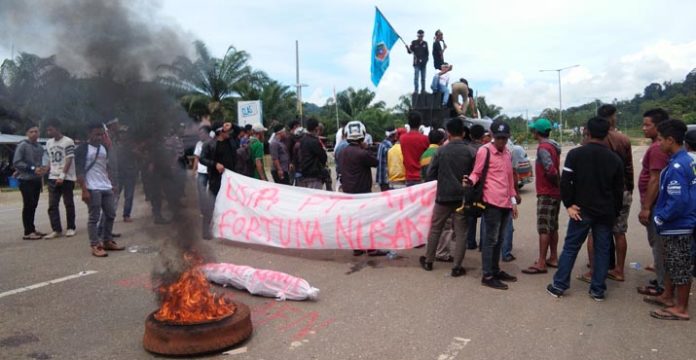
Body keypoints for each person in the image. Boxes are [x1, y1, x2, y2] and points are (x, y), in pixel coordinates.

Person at [546, 117, 624, 301]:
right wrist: (615, 212)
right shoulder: (615, 159)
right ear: (607, 133)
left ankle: (559, 286)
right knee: (603, 250)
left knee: (571, 248)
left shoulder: (575, 154)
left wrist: (569, 204)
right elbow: (618, 191)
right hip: (605, 213)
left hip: (581, 211)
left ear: (587, 132)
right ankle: (598, 290)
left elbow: (565, 182)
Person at [647, 119, 695, 320]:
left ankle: (680, 308)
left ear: (670, 140)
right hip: (678, 224)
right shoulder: (686, 160)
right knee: (671, 262)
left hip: (678, 225)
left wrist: (660, 218)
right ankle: (668, 296)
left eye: (660, 140)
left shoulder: (677, 165)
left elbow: (678, 200)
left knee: (680, 265)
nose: (658, 144)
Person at [579, 104, 634, 282]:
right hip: (621, 190)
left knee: (594, 232)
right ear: (611, 118)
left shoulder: (588, 142)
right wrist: (629, 188)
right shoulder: (623, 139)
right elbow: (628, 168)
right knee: (619, 232)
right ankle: (619, 270)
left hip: (597, 193)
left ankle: (594, 269)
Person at [464, 121, 519, 290]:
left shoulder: (508, 153)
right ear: (492, 136)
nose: (502, 141)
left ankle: (495, 270)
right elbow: (477, 172)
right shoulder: (484, 151)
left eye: (505, 138)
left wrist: (513, 201)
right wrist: (469, 181)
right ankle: (487, 275)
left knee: (500, 239)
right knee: (490, 240)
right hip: (491, 202)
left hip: (505, 204)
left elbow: (510, 179)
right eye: (499, 137)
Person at [420, 118, 476, 276]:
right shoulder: (471, 152)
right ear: (464, 133)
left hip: (443, 197)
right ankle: (457, 267)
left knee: (436, 229)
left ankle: (429, 261)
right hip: (462, 199)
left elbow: (430, 174)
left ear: (448, 134)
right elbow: (476, 175)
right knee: (461, 233)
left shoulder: (440, 151)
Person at [75, 122, 125, 257]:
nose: (99, 137)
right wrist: (84, 190)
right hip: (92, 187)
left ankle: (107, 240)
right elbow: (79, 172)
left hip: (106, 186)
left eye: (101, 134)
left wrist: (110, 183)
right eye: (97, 134)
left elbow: (105, 166)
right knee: (94, 218)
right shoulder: (81, 149)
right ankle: (95, 245)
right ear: (89, 133)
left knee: (110, 214)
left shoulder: (103, 147)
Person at [338, 121, 387, 256]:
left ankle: (357, 248)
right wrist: (366, 148)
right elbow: (376, 162)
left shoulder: (342, 152)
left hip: (348, 192)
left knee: (354, 221)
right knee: (368, 220)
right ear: (363, 136)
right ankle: (371, 248)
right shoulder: (362, 153)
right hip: (363, 193)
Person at [636, 108, 671, 297]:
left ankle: (662, 286)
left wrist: (646, 207)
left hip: (656, 205)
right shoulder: (658, 147)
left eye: (647, 125)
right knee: (657, 244)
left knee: (659, 245)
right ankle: (662, 279)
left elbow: (654, 179)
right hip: (657, 204)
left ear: (658, 127)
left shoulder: (657, 148)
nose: (643, 128)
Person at [522, 118, 561, 274]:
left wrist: (554, 182)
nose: (532, 132)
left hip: (547, 192)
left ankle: (541, 262)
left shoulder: (543, 148)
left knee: (544, 228)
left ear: (537, 132)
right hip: (555, 193)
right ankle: (553, 257)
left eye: (533, 130)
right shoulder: (553, 146)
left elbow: (551, 170)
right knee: (553, 226)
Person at [199, 123, 237, 239]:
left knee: (231, 203)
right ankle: (205, 230)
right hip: (216, 178)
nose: (229, 133)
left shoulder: (231, 141)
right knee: (211, 203)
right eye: (226, 131)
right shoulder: (209, 144)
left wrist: (231, 125)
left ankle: (229, 229)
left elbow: (237, 129)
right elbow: (202, 159)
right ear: (220, 132)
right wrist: (215, 164)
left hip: (231, 178)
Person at [13, 124, 47, 240]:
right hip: (25, 180)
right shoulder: (22, 145)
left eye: (36, 131)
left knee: (34, 205)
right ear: (27, 133)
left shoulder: (40, 147)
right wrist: (32, 168)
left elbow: (42, 162)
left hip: (36, 180)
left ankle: (32, 229)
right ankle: (27, 232)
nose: (34, 134)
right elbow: (17, 162)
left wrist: (43, 169)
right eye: (31, 131)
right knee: (28, 204)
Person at [44, 119, 77, 239]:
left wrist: (62, 176)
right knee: (52, 205)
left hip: (66, 177)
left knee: (68, 203)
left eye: (50, 129)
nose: (48, 132)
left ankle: (71, 227)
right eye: (47, 130)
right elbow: (50, 159)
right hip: (53, 176)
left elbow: (69, 159)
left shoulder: (68, 141)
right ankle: (56, 229)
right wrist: (45, 169)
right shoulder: (48, 143)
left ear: (58, 129)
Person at [466, 124, 486, 250]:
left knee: (470, 215)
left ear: (470, 135)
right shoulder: (486, 150)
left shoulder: (466, 149)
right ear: (483, 136)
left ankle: (470, 242)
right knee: (485, 214)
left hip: (469, 185)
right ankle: (483, 244)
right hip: (484, 186)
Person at [400, 112, 430, 186]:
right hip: (421, 177)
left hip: (408, 177)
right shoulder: (425, 139)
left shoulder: (402, 138)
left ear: (408, 123)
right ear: (420, 123)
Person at [298, 118, 328, 189]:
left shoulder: (302, 140)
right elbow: (323, 157)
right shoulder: (314, 141)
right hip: (314, 175)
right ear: (316, 128)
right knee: (315, 197)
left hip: (304, 173)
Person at [193, 125, 213, 227]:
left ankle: (211, 212)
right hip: (201, 172)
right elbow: (196, 158)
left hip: (210, 172)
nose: (200, 135)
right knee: (201, 193)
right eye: (199, 133)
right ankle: (203, 211)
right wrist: (194, 170)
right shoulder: (198, 144)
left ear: (207, 133)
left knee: (211, 193)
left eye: (202, 133)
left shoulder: (213, 143)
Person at [406, 29, 429, 94]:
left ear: (423, 36)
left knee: (423, 78)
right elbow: (410, 52)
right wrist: (407, 48)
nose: (420, 37)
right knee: (416, 77)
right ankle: (416, 90)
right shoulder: (414, 42)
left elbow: (427, 54)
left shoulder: (425, 43)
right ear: (417, 35)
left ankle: (423, 90)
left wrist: (425, 61)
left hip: (423, 64)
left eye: (422, 36)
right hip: (416, 63)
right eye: (419, 36)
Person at [376, 127, 396, 191]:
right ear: (393, 135)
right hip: (386, 178)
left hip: (380, 177)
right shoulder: (389, 146)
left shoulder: (382, 144)